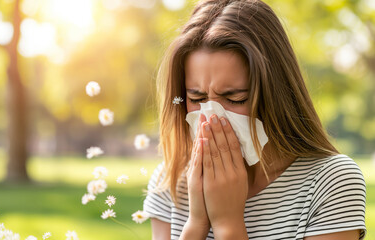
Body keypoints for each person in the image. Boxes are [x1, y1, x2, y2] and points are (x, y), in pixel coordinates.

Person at [143, 0, 367, 239]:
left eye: (235, 98)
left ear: (276, 94)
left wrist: (227, 224)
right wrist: (196, 223)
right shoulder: (170, 180)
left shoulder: (331, 182)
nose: (212, 117)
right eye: (197, 98)